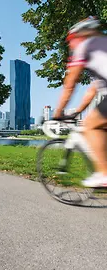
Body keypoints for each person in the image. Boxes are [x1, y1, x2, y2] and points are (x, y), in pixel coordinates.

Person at [53, 16, 107, 187]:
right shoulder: (102, 45)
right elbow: (93, 89)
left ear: (79, 36)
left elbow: (70, 84)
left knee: (91, 125)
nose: (70, 45)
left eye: (70, 40)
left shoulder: (84, 47)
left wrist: (58, 112)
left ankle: (104, 174)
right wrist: (77, 112)